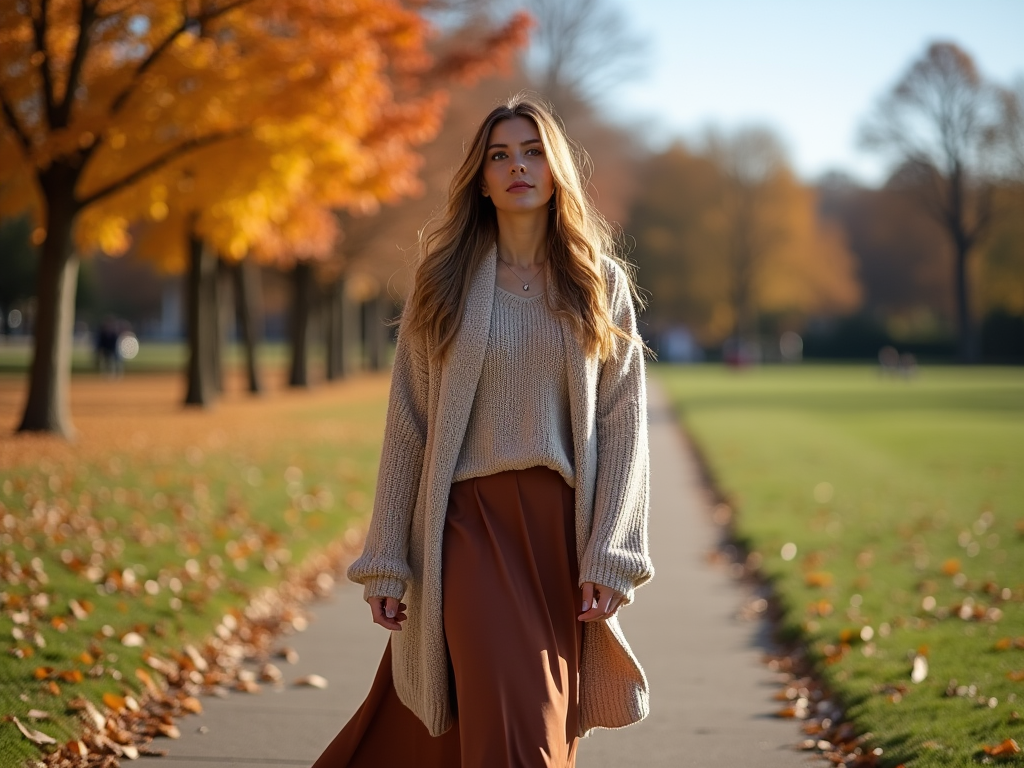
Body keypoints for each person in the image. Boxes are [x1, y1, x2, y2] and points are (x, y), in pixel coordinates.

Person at [312, 93, 653, 768]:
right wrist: (386, 555)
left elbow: (622, 424)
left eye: (532, 152)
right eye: (499, 155)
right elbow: (408, 423)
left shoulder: (596, 282)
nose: (516, 166)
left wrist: (612, 554)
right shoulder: (443, 282)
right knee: (515, 722)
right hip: (468, 529)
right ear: (481, 176)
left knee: (547, 722)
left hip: (560, 535)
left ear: (557, 170)